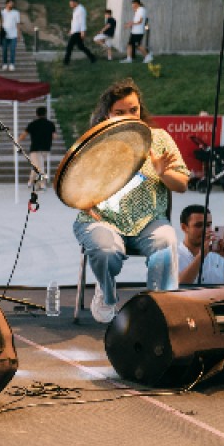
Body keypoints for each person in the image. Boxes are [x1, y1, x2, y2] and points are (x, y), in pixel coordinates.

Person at [73, 78, 189, 323]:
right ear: (106, 115)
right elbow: (73, 187)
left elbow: (182, 185)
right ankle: (106, 293)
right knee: (106, 249)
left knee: (166, 241)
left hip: (149, 221)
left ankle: (161, 308)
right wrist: (83, 201)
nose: (129, 116)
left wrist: (163, 172)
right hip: (102, 220)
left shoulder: (159, 138)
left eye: (133, 110)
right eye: (120, 112)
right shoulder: (93, 143)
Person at [177, 205, 224, 284]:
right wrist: (201, 256)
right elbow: (177, 286)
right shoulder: (172, 256)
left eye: (208, 225)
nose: (205, 230)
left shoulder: (219, 257)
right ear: (184, 227)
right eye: (199, 225)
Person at [20, 106, 56, 190]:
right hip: (46, 148)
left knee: (38, 166)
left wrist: (17, 141)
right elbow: (54, 136)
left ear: (36, 114)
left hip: (35, 148)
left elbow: (24, 135)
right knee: (38, 166)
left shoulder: (33, 124)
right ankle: (32, 182)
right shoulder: (50, 124)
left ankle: (40, 184)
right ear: (45, 113)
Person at [64, 0, 97, 64]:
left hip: (78, 32)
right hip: (75, 31)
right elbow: (75, 21)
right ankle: (93, 58)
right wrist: (71, 30)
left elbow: (82, 22)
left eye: (71, 3)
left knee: (69, 47)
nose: (70, 5)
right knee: (81, 47)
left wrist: (83, 32)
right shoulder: (76, 9)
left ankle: (66, 62)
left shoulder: (81, 10)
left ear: (75, 2)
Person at [123, 0, 153, 64]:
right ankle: (129, 58)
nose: (132, 6)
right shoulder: (138, 10)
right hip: (134, 31)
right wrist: (130, 23)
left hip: (138, 32)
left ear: (136, 3)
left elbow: (140, 21)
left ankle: (148, 57)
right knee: (129, 44)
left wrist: (130, 24)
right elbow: (136, 21)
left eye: (133, 4)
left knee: (138, 45)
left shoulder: (142, 10)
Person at [1, 0, 21, 71]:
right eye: (10, 3)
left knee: (12, 49)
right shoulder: (2, 12)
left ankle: (12, 64)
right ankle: (5, 63)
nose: (11, 4)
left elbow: (18, 24)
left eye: (12, 3)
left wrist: (19, 33)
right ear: (6, 4)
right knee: (4, 49)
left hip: (14, 34)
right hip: (5, 34)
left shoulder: (16, 12)